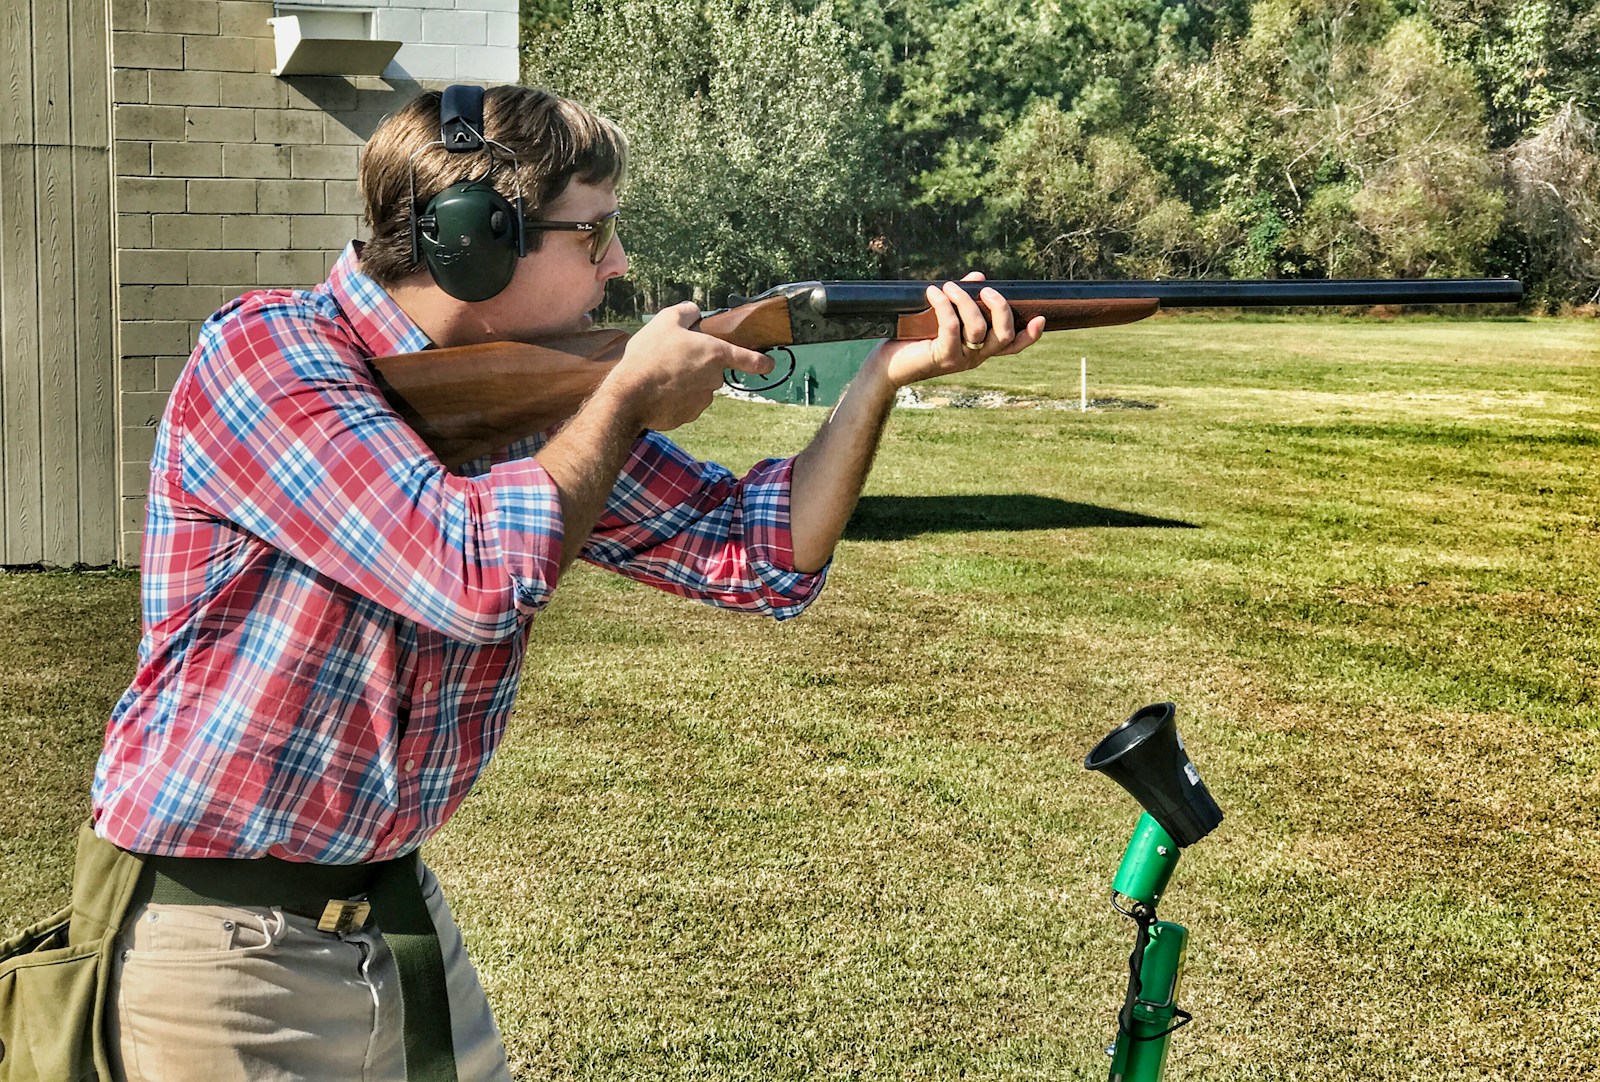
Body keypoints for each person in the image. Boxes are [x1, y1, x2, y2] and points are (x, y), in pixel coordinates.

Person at [82, 84, 1044, 1081]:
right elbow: (472, 570)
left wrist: (881, 374)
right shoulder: (267, 356)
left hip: (392, 910)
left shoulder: (533, 402)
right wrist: (626, 394)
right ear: (472, 241)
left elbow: (761, 551)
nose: (619, 262)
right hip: (217, 943)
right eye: (593, 235)